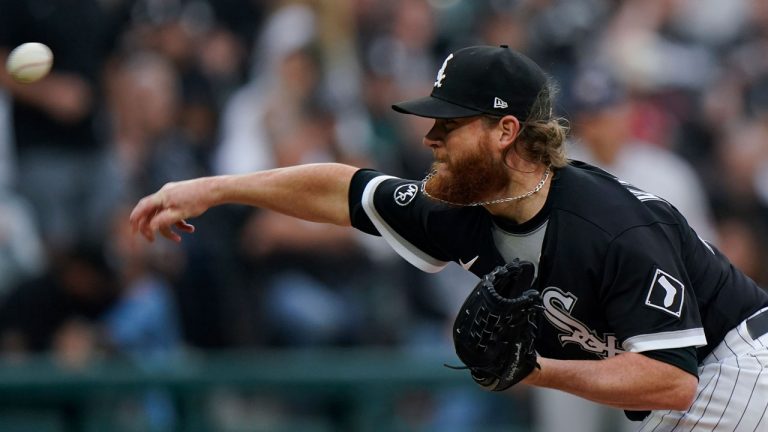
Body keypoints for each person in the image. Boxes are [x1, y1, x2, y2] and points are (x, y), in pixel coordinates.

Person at [130, 45, 768, 431]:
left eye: (449, 124)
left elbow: (670, 378)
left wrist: (534, 370)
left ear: (505, 131)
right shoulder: (459, 204)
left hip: (740, 374)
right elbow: (341, 187)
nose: (430, 139)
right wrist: (214, 188)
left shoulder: (612, 226)